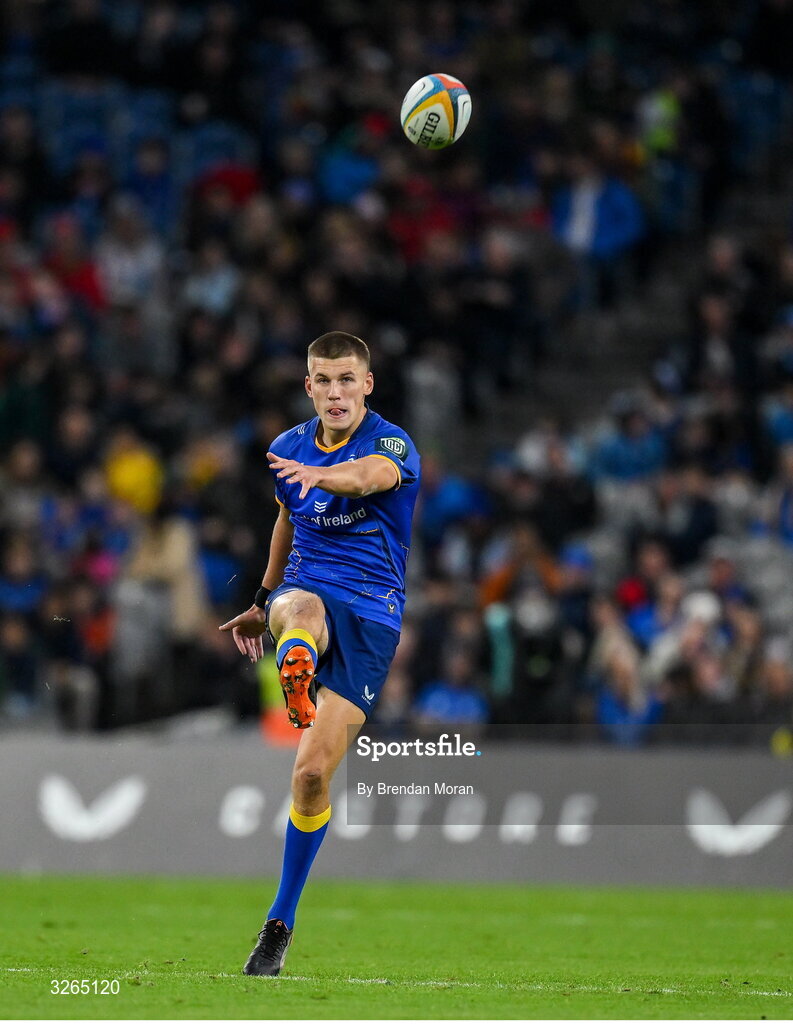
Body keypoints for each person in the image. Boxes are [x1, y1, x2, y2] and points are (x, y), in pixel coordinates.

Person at [219, 331, 420, 976]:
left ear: (367, 385)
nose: (335, 392)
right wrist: (263, 596)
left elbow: (368, 479)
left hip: (372, 613)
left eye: (346, 380)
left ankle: (282, 917)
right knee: (299, 611)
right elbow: (285, 519)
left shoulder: (392, 444)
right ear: (308, 387)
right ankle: (296, 661)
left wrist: (322, 476)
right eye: (323, 381)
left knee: (309, 776)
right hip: (308, 587)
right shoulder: (287, 448)